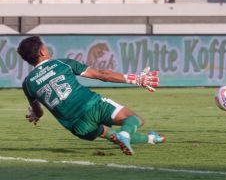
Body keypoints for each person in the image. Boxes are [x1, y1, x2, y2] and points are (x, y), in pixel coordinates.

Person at [17, 36, 165, 156]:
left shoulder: (27, 84)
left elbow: (38, 112)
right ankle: (126, 134)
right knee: (135, 119)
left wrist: (35, 116)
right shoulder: (62, 63)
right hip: (93, 106)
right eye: (45, 47)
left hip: (78, 127)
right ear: (42, 52)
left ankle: (152, 139)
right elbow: (103, 75)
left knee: (116, 136)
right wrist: (137, 79)